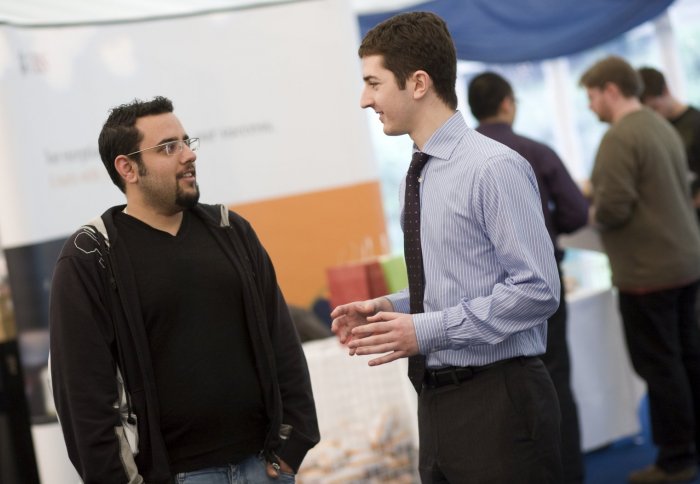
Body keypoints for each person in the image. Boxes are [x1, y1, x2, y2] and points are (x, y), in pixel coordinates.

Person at [332, 12, 563, 483]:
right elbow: (457, 282)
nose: (364, 99)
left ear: (418, 83)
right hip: (437, 401)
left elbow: (539, 291)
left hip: (500, 400)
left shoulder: (492, 168)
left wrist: (426, 330)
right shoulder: (419, 173)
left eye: (373, 83)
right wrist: (388, 309)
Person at [49, 96, 319, 484]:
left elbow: (283, 344)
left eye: (187, 142)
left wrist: (294, 445)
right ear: (128, 168)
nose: (188, 155)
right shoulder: (91, 257)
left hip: (263, 468)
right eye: (167, 147)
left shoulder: (231, 231)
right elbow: (83, 398)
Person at [580, 56, 700, 484]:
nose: (591, 107)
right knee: (687, 358)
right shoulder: (660, 125)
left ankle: (675, 459)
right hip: (684, 261)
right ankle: (688, 448)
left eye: (592, 97)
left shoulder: (619, 137)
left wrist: (587, 211)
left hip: (648, 273)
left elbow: (613, 206)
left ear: (611, 90)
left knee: (660, 366)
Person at [468, 71, 588, 484]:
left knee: (495, 393)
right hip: (539, 286)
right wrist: (544, 224)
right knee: (554, 379)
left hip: (482, 297)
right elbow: (577, 213)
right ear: (508, 103)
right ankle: (568, 475)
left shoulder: (460, 163)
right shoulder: (534, 152)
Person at [638, 66, 700, 218]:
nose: (654, 117)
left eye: (655, 108)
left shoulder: (696, 123)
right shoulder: (656, 130)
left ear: (666, 91)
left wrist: (688, 207)